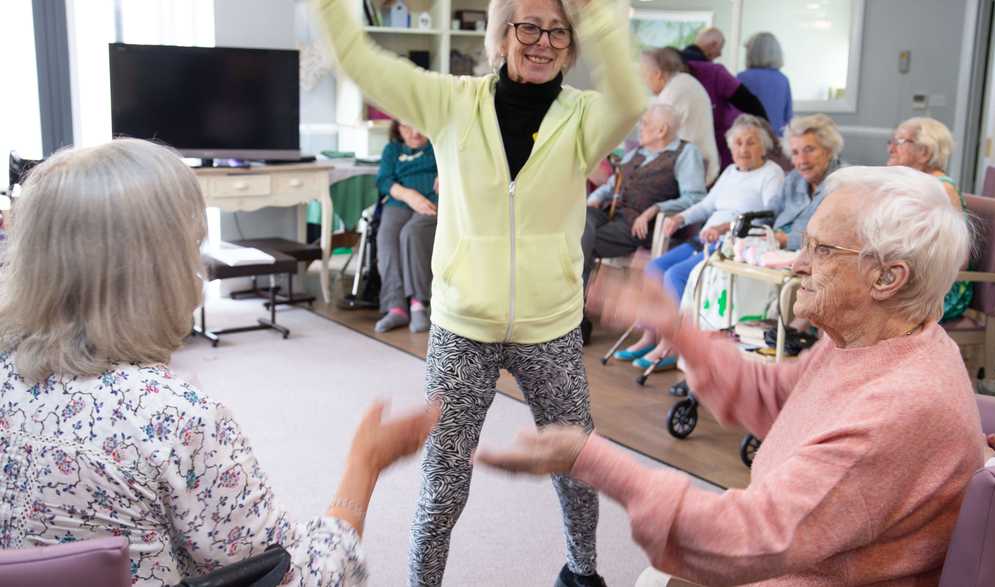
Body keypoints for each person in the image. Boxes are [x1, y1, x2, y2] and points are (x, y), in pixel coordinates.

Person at [480, 166, 984, 586]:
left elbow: (747, 539)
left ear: (887, 277)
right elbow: (774, 399)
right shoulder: (874, 343)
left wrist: (587, 458)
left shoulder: (899, 405)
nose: (797, 264)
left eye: (822, 250)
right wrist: (675, 329)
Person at [0, 138, 439, 585]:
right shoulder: (174, 421)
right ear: (159, 271)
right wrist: (364, 464)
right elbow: (299, 580)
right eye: (192, 247)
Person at [317, 0, 646, 584]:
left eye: (558, 33)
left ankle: (583, 574)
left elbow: (631, 98)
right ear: (500, 35)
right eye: (528, 27)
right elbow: (362, 62)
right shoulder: (449, 103)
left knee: (575, 465)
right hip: (463, 324)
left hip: (551, 325)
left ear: (571, 45)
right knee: (443, 481)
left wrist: (596, 18)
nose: (543, 42)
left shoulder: (583, 118)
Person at [617, 115, 783, 369]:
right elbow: (707, 205)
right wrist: (680, 218)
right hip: (706, 238)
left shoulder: (771, 174)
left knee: (675, 276)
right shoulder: (730, 172)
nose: (743, 149)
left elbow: (771, 214)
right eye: (738, 143)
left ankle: (675, 343)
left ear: (763, 146)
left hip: (733, 245)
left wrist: (725, 227)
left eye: (750, 143)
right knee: (654, 268)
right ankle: (651, 335)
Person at [582, 104, 707, 285]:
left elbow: (695, 198)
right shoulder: (637, 152)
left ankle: (575, 303)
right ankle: (575, 305)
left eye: (645, 123)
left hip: (637, 226)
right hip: (610, 213)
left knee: (579, 241)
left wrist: (656, 208)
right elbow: (612, 185)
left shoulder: (686, 153)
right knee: (578, 221)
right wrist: (595, 198)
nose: (639, 127)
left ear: (661, 130)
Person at [887, 116, 970, 322]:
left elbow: (958, 259)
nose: (891, 149)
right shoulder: (915, 184)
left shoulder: (942, 189)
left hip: (938, 289)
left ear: (924, 152)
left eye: (899, 142)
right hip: (908, 276)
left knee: (862, 299)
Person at [373, 120, 439, 333]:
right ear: (398, 128)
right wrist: (408, 195)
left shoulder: (439, 146)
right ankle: (396, 308)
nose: (416, 132)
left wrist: (447, 173)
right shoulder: (392, 150)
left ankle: (419, 304)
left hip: (433, 201)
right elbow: (383, 180)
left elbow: (461, 166)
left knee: (412, 233)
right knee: (387, 236)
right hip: (400, 201)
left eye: (419, 124)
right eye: (407, 126)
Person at [678, 30, 768, 169]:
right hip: (714, 149)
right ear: (713, 45)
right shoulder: (715, 72)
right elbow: (748, 101)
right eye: (720, 49)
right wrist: (766, 127)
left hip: (678, 147)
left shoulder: (672, 68)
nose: (719, 54)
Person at [640, 48, 720, 183]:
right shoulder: (681, 83)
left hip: (691, 174)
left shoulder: (674, 91)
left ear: (657, 74)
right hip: (694, 168)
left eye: (643, 75)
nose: (642, 81)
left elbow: (655, 136)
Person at [770, 113, 845, 251]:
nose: (802, 161)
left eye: (809, 150)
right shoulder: (792, 179)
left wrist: (787, 241)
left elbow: (837, 238)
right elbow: (769, 213)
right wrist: (753, 232)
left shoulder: (844, 184)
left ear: (829, 150)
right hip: (772, 255)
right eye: (795, 153)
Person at [737, 32, 793, 136]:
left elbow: (733, 116)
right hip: (776, 141)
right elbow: (788, 118)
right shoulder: (783, 80)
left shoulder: (742, 78)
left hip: (748, 139)